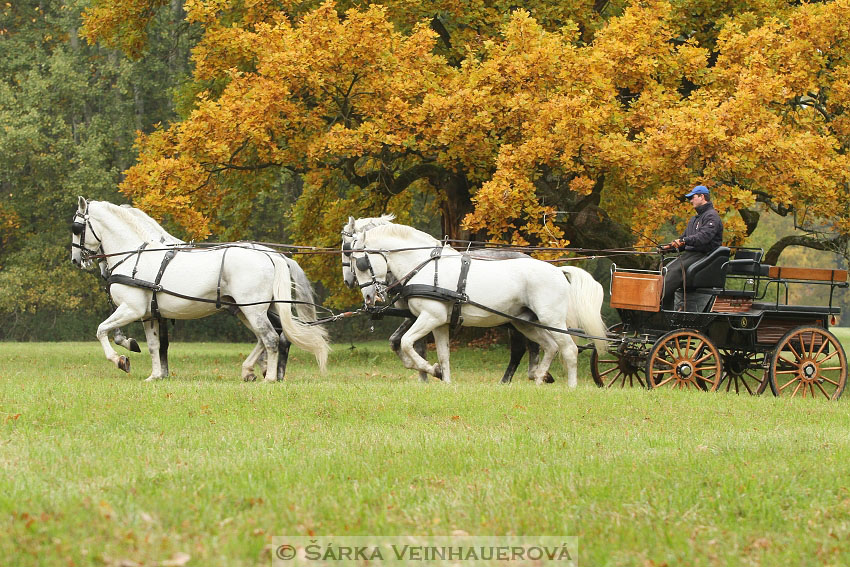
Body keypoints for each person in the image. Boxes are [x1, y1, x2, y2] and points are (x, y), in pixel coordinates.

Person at [659, 185, 723, 309]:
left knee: (674, 271)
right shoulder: (694, 219)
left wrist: (684, 241)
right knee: (666, 269)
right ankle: (662, 306)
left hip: (705, 256)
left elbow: (703, 238)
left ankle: (661, 306)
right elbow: (684, 240)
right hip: (690, 255)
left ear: (702, 197)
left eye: (692, 197)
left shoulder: (712, 216)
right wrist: (668, 247)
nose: (690, 201)